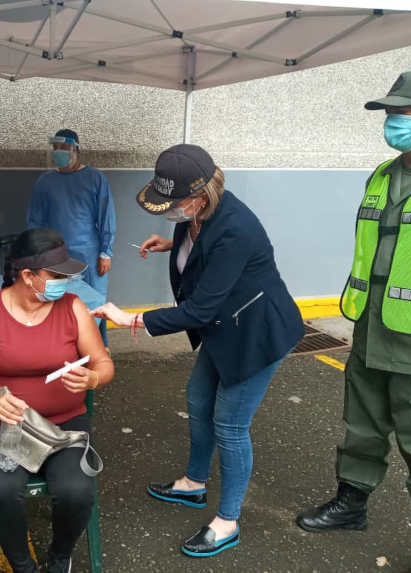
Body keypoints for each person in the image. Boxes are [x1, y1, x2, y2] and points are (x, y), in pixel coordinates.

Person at [93, 144, 304, 558]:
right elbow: (201, 252)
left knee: (230, 425)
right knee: (198, 398)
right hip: (224, 327)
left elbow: (200, 309)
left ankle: (227, 521)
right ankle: (193, 483)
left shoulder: (236, 228)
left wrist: (132, 319)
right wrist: (171, 245)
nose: (169, 210)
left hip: (257, 333)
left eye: (174, 203)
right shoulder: (195, 215)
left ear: (199, 197)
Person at [296, 68, 411, 573]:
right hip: (370, 334)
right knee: (361, 430)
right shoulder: (382, 176)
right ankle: (351, 505)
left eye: (403, 112)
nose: (392, 121)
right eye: (390, 112)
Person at [0, 228, 114, 573]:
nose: (64, 282)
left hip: (65, 425)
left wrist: (92, 378)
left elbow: (103, 364)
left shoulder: (72, 308)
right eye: (56, 276)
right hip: (7, 426)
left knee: (76, 492)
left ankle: (60, 556)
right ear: (28, 276)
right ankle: (23, 565)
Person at [27, 128, 116, 350]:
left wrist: (106, 252)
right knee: (59, 301)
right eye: (56, 148)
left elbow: (106, 216)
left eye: (65, 147)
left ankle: (98, 349)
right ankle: (63, 348)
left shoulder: (94, 178)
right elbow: (35, 220)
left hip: (89, 253)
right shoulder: (45, 181)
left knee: (94, 303)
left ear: (76, 150)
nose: (60, 151)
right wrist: (37, 252)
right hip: (55, 254)